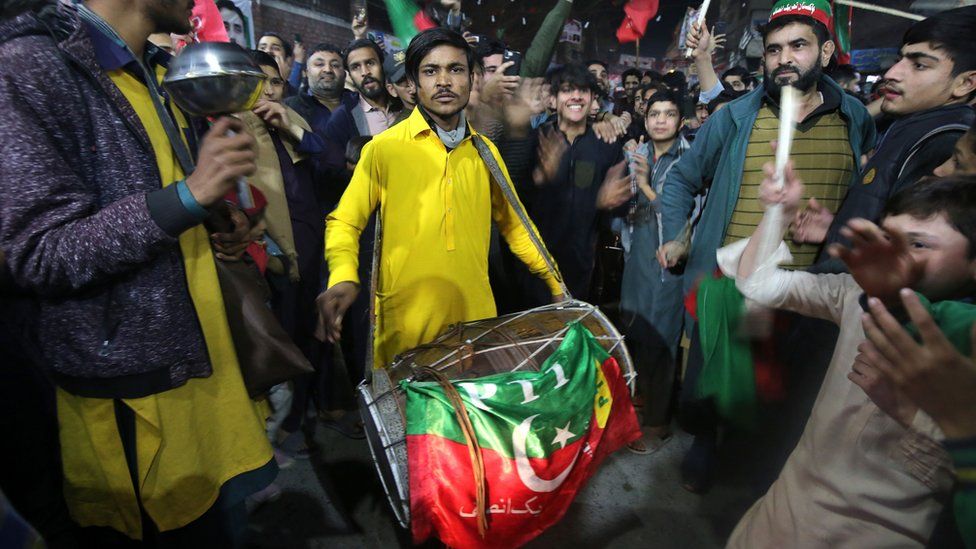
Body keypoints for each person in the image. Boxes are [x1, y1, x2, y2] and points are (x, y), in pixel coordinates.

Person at [0, 0, 275, 543]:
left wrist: (217, 218)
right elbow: (40, 252)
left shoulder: (152, 70)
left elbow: (160, 195)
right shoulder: (28, 66)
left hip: (206, 379)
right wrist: (190, 195)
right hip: (133, 402)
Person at [722, 168, 976, 546]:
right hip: (781, 515)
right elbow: (758, 285)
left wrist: (916, 415)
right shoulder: (858, 293)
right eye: (887, 238)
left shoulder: (966, 341)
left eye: (919, 245)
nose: (892, 257)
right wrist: (780, 212)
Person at [316, 27, 565, 371]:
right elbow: (345, 220)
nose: (444, 81)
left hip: (474, 327)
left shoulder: (485, 152)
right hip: (404, 329)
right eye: (431, 71)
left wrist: (555, 283)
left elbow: (516, 226)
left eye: (456, 69)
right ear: (414, 84)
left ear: (472, 79)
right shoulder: (384, 150)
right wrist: (343, 275)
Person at [816, 6, 976, 262]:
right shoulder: (912, 125)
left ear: (966, 83)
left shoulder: (945, 143)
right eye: (901, 59)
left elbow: (902, 265)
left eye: (919, 65)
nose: (892, 73)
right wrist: (839, 228)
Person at [618, 89, 690, 454]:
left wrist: (645, 186)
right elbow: (624, 209)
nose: (661, 120)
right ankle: (640, 403)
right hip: (636, 260)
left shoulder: (687, 160)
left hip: (667, 266)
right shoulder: (637, 154)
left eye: (669, 113)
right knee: (633, 335)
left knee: (661, 342)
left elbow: (685, 217)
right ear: (645, 120)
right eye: (654, 114)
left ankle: (659, 422)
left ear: (682, 120)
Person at [321, 38, 398, 173]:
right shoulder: (342, 119)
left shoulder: (405, 102)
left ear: (382, 65)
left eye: (370, 63)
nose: (365, 72)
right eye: (356, 67)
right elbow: (331, 175)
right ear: (349, 75)